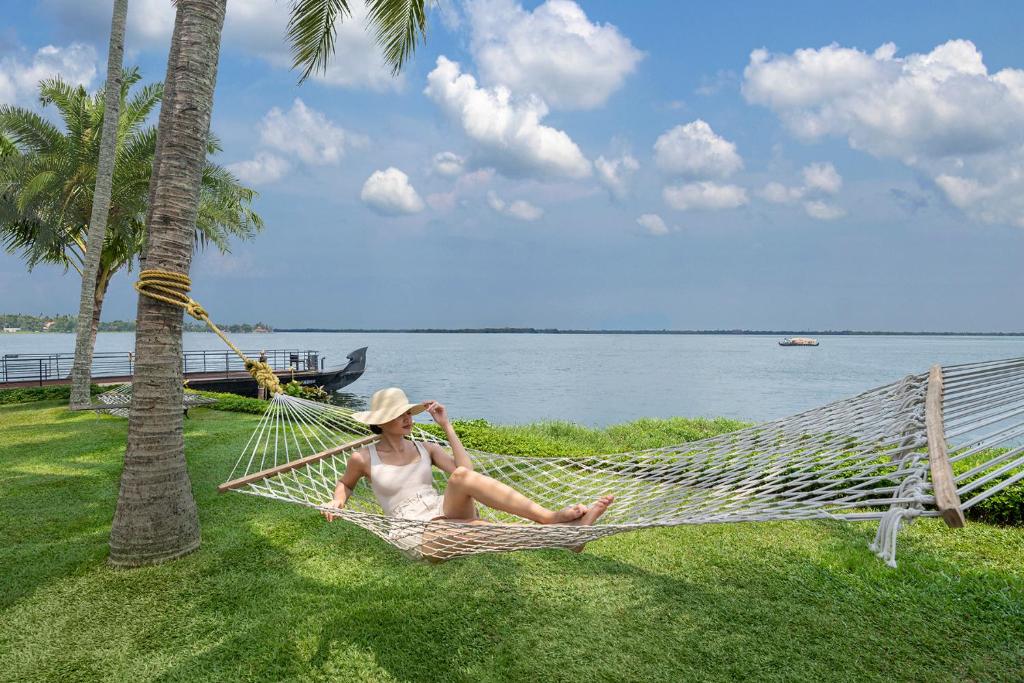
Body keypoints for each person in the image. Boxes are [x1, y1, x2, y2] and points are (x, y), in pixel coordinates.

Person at [322, 387, 614, 559]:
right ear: (381, 422)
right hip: (412, 528)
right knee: (479, 531)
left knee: (460, 477)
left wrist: (446, 427)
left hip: (444, 508)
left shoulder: (426, 448)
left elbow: (468, 474)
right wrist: (338, 500)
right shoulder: (362, 458)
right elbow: (345, 484)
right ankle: (567, 539)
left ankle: (549, 518)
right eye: (400, 415)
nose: (408, 418)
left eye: (408, 412)